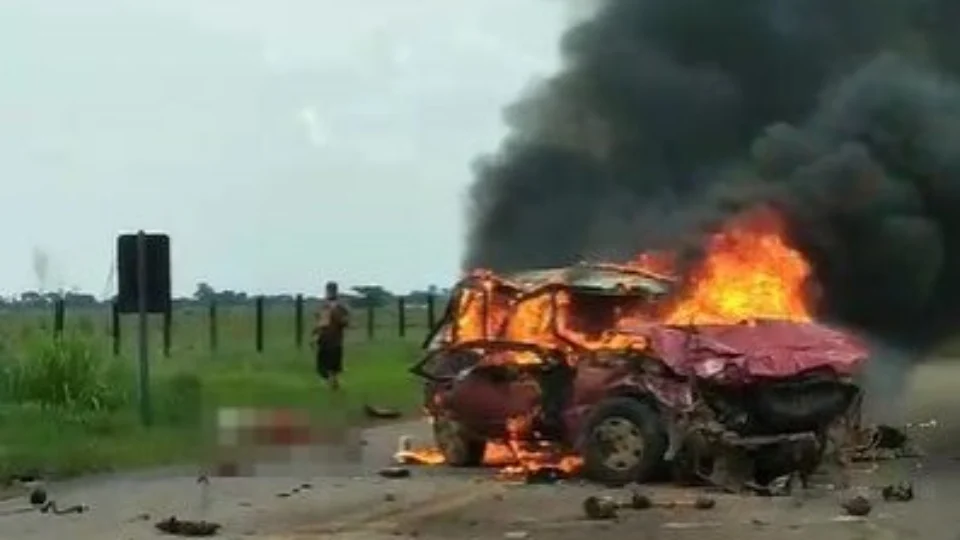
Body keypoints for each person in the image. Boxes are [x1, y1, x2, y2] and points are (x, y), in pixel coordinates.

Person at [313, 281, 350, 390]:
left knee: (333, 362)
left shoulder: (339, 308)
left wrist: (336, 316)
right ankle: (331, 380)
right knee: (325, 362)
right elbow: (320, 322)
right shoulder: (325, 307)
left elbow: (345, 322)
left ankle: (333, 380)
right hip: (325, 338)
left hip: (334, 339)